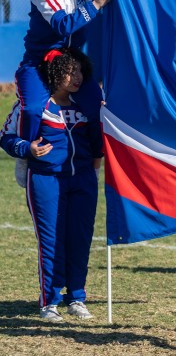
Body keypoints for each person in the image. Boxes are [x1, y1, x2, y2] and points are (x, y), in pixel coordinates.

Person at [0, 47, 101, 321]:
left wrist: (94, 169)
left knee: (80, 239)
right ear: (55, 73)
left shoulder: (86, 106)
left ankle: (77, 298)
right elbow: (6, 137)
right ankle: (50, 302)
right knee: (51, 240)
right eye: (70, 71)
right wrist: (27, 148)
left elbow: (98, 143)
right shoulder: (33, 106)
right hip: (45, 180)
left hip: (82, 180)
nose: (77, 77)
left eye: (80, 70)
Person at [13, 0, 111, 189]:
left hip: (73, 61)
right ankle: (25, 155)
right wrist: (96, 5)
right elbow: (63, 25)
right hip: (39, 63)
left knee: (96, 106)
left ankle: (95, 163)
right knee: (33, 107)